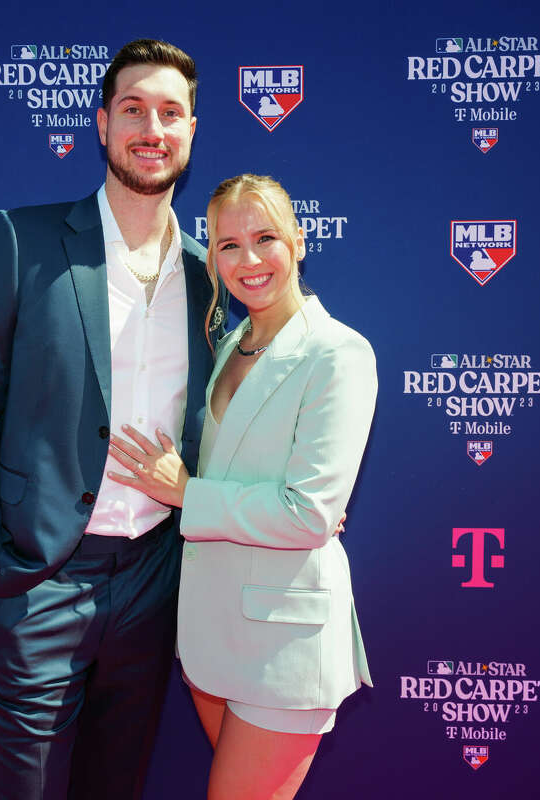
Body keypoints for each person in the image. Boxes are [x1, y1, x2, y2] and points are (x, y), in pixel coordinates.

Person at [0, 39, 226, 800]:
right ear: (101, 124)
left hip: (154, 582)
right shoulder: (22, 240)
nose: (151, 128)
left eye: (170, 113)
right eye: (133, 109)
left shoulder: (210, 276)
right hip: (38, 578)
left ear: (192, 131)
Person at [108, 174, 376, 799]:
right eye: (227, 245)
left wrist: (187, 492)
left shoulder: (338, 354)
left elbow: (310, 514)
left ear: (299, 241)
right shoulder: (231, 344)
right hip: (213, 637)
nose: (248, 260)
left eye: (265, 239)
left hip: (283, 643)